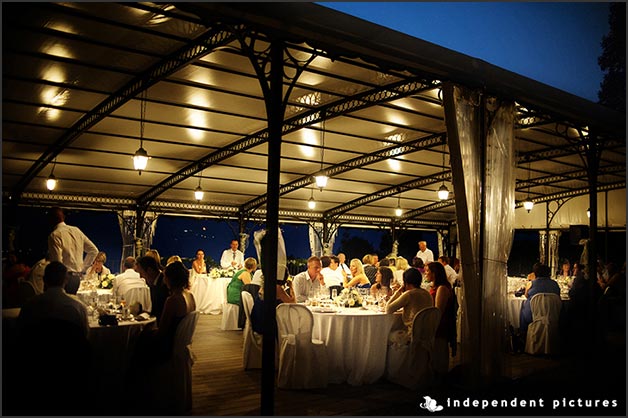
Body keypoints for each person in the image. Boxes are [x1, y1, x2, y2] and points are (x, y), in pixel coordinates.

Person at [16, 261, 91, 415]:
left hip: (35, 373)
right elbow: (85, 338)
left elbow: (20, 337)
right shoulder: (78, 307)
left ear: (44, 280)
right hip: (70, 374)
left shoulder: (30, 306)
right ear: (66, 280)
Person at [47, 206, 99, 294]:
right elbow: (93, 250)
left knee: (60, 305)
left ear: (50, 220)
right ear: (63, 217)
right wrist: (83, 268)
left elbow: (57, 263)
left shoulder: (54, 235)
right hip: (76, 278)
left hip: (63, 278)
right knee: (70, 304)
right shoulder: (76, 230)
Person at [386, 268, 433, 347]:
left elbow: (388, 309)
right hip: (428, 333)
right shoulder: (427, 294)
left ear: (405, 282)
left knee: (387, 335)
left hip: (412, 335)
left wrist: (398, 292)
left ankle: (400, 359)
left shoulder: (409, 294)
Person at [425, 261, 457, 373]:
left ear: (434, 273)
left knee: (439, 356)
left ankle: (440, 380)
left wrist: (431, 327)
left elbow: (438, 311)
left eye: (427, 271)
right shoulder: (435, 286)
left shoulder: (442, 288)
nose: (425, 274)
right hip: (436, 324)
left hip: (440, 326)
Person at [518, 262, 560, 334]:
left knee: (523, 306)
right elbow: (558, 296)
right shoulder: (555, 284)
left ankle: (523, 335)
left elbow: (526, 295)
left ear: (535, 273)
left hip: (534, 317)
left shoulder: (531, 284)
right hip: (552, 315)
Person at [250, 271, 295, 335]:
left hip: (257, 321)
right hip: (267, 326)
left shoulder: (266, 285)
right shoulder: (277, 287)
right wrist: (291, 287)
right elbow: (293, 303)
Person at [135, 255, 169, 324]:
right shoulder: (157, 282)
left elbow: (158, 310)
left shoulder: (163, 285)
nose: (141, 276)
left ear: (149, 270)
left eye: (141, 273)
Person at [226, 257, 257, 329]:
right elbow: (249, 287)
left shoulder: (243, 271)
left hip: (233, 292)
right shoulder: (245, 273)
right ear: (254, 266)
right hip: (236, 295)